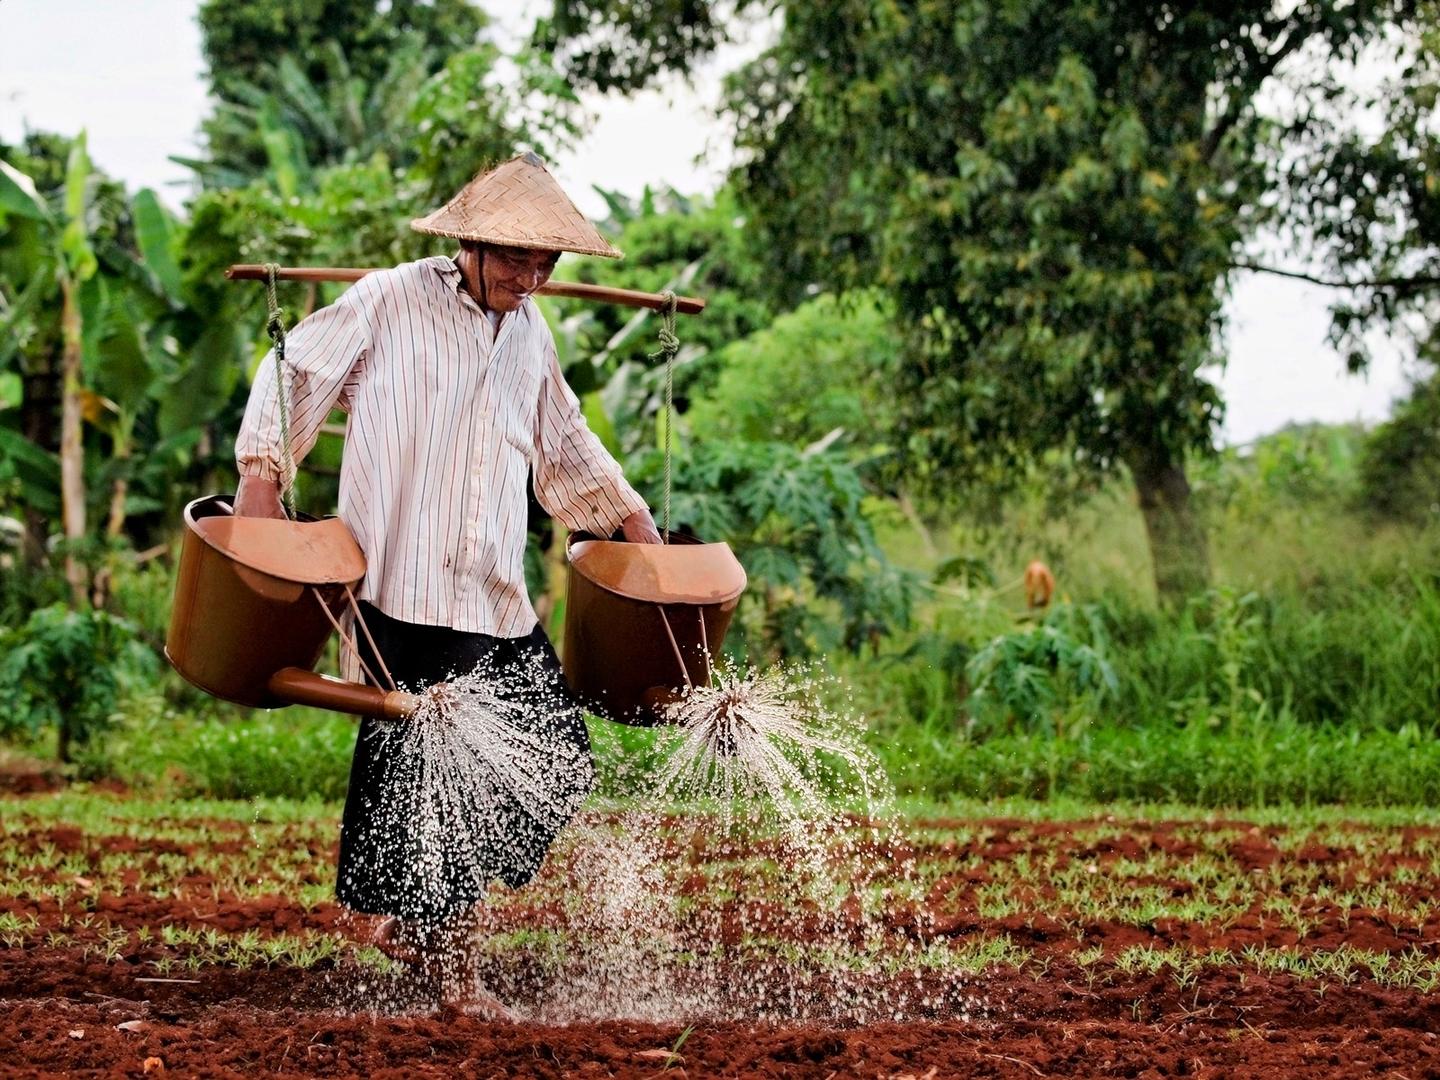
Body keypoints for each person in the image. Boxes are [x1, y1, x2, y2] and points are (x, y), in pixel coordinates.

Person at [231, 152, 662, 1015]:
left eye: (546, 263)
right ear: (469, 241)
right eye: (515, 258)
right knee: (440, 771)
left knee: (556, 756)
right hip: (400, 581)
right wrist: (262, 479)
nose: (531, 277)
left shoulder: (530, 333)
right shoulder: (390, 298)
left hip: (491, 588)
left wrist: (630, 519)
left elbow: (563, 435)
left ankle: (411, 928)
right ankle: (448, 971)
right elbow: (298, 371)